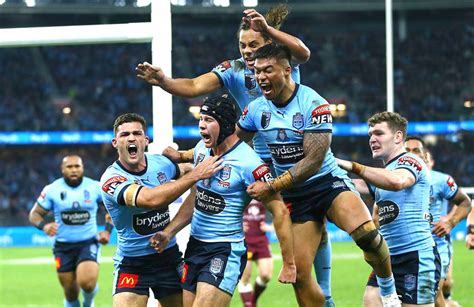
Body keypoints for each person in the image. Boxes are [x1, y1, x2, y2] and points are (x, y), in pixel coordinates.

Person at [137, 5, 334, 304]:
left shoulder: (283, 62)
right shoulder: (233, 71)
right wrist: (164, 82)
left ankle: (327, 292)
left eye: (253, 45)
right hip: (256, 154)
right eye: (242, 45)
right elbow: (193, 86)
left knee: (310, 216)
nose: (247, 51)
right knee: (282, 212)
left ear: (269, 46)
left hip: (290, 154)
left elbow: (304, 52)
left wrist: (267, 29)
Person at [236, 43, 399, 307]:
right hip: (296, 196)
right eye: (257, 72)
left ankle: (389, 291)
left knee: (368, 235)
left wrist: (273, 185)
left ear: (287, 70)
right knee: (299, 276)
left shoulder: (313, 103)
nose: (261, 77)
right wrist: (192, 157)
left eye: (268, 70)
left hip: (327, 183)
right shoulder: (256, 109)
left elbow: (313, 161)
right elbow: (232, 143)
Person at [149, 95, 296, 307]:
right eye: (200, 119)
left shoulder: (249, 163)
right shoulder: (202, 150)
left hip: (224, 249)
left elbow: (280, 210)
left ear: (226, 124)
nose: (201, 126)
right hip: (196, 246)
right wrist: (168, 231)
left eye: (208, 120)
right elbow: (196, 197)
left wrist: (289, 263)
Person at [99, 113, 223, 307]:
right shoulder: (111, 179)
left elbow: (190, 170)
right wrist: (196, 175)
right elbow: (150, 199)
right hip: (132, 262)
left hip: (168, 258)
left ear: (145, 140)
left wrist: (171, 228)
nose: (131, 138)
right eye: (124, 135)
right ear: (115, 142)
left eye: (137, 133)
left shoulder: (161, 164)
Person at [337, 112, 441, 306]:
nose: (372, 139)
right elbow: (353, 185)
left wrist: (348, 164)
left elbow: (398, 181)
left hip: (415, 257)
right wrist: (326, 167)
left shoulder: (411, 161)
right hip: (386, 258)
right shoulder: (384, 172)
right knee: (370, 301)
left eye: (378, 133)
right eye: (370, 135)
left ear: (398, 137)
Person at [29, 154, 113, 307]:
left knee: (87, 283)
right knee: (70, 292)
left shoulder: (95, 187)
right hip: (62, 247)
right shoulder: (52, 190)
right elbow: (34, 214)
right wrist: (44, 226)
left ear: (82, 168)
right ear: (62, 169)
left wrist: (107, 231)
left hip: (88, 243)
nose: (73, 170)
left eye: (77, 166)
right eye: (69, 167)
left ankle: (88, 303)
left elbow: (113, 211)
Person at [405, 137, 471, 307]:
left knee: (435, 291)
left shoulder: (440, 180)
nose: (411, 154)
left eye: (416, 150)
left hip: (436, 243)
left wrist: (450, 221)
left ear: (425, 155)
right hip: (407, 246)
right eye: (407, 150)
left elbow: (465, 202)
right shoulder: (396, 179)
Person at [238, 199, 275, 307]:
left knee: (266, 275)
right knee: (245, 278)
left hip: (261, 241)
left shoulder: (264, 192)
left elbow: (279, 209)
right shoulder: (242, 190)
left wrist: (271, 227)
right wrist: (238, 225)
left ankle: (253, 301)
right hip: (245, 241)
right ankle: (249, 305)